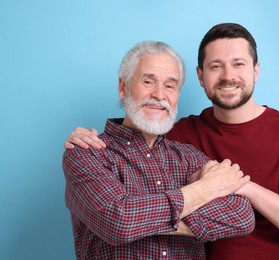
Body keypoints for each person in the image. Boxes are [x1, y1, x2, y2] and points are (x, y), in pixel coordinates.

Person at [65, 23, 279, 259]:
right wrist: (206, 190)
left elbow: (245, 217)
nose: (228, 76)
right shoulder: (177, 135)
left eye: (238, 64)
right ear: (200, 76)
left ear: (256, 70)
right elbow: (118, 219)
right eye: (216, 66)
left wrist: (243, 187)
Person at [62, 40, 255, 259]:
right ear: (123, 87)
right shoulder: (86, 153)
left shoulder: (188, 156)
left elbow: (241, 215)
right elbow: (119, 221)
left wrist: (143, 217)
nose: (160, 95)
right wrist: (205, 190)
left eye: (170, 86)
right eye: (148, 82)